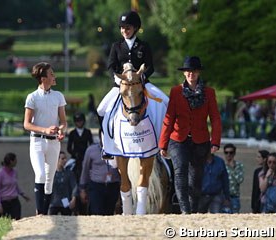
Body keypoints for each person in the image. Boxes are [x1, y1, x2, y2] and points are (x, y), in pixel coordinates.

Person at [97, 10, 168, 158]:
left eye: (127, 28)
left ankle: (165, 143)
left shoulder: (143, 46)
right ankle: (105, 145)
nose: (124, 31)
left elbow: (150, 67)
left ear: (135, 28)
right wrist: (117, 79)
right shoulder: (116, 46)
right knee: (101, 110)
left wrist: (141, 78)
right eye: (122, 28)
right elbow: (111, 66)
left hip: (141, 84)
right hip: (121, 86)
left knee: (166, 101)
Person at [159, 56, 222, 214]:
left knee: (196, 180)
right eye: (187, 71)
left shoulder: (209, 93)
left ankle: (193, 211)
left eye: (193, 71)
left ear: (198, 72)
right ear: (184, 73)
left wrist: (215, 141)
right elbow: (169, 119)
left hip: (200, 141)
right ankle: (185, 211)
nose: (190, 74)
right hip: (178, 139)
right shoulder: (175, 92)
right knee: (180, 172)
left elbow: (215, 118)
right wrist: (163, 144)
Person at [24, 62, 67, 215]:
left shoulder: (58, 96)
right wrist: (45, 129)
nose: (54, 76)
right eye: (51, 74)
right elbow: (27, 124)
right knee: (41, 174)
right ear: (43, 78)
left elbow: (63, 122)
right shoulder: (32, 97)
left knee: (49, 180)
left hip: (54, 142)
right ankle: (40, 213)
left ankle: (44, 212)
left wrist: (61, 131)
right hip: (37, 141)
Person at [79, 130, 121, 215]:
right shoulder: (91, 150)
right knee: (96, 211)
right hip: (97, 186)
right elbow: (85, 170)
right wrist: (82, 189)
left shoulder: (118, 150)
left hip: (113, 185)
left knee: (110, 212)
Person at [0, 152, 30, 220]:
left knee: (17, 220)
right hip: (4, 202)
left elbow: (15, 185)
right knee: (5, 222)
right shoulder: (0, 173)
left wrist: (23, 194)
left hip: (14, 202)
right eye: (15, 160)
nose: (17, 162)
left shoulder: (14, 172)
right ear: (11, 161)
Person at [49, 151, 78, 215]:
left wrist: (73, 199)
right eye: (62, 159)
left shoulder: (69, 173)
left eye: (65, 158)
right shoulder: (51, 173)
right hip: (53, 203)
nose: (65, 160)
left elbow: (74, 186)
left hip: (65, 202)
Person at [67, 112, 93, 182]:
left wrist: (88, 154)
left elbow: (91, 144)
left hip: (85, 156)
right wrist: (74, 154)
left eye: (80, 121)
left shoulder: (88, 132)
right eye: (77, 121)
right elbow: (69, 147)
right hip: (75, 158)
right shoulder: (72, 133)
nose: (79, 123)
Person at [223, 143, 244, 213]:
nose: (228, 155)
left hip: (234, 197)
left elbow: (240, 180)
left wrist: (232, 168)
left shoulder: (239, 166)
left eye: (231, 153)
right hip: (223, 198)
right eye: (226, 152)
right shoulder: (221, 165)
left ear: (234, 153)